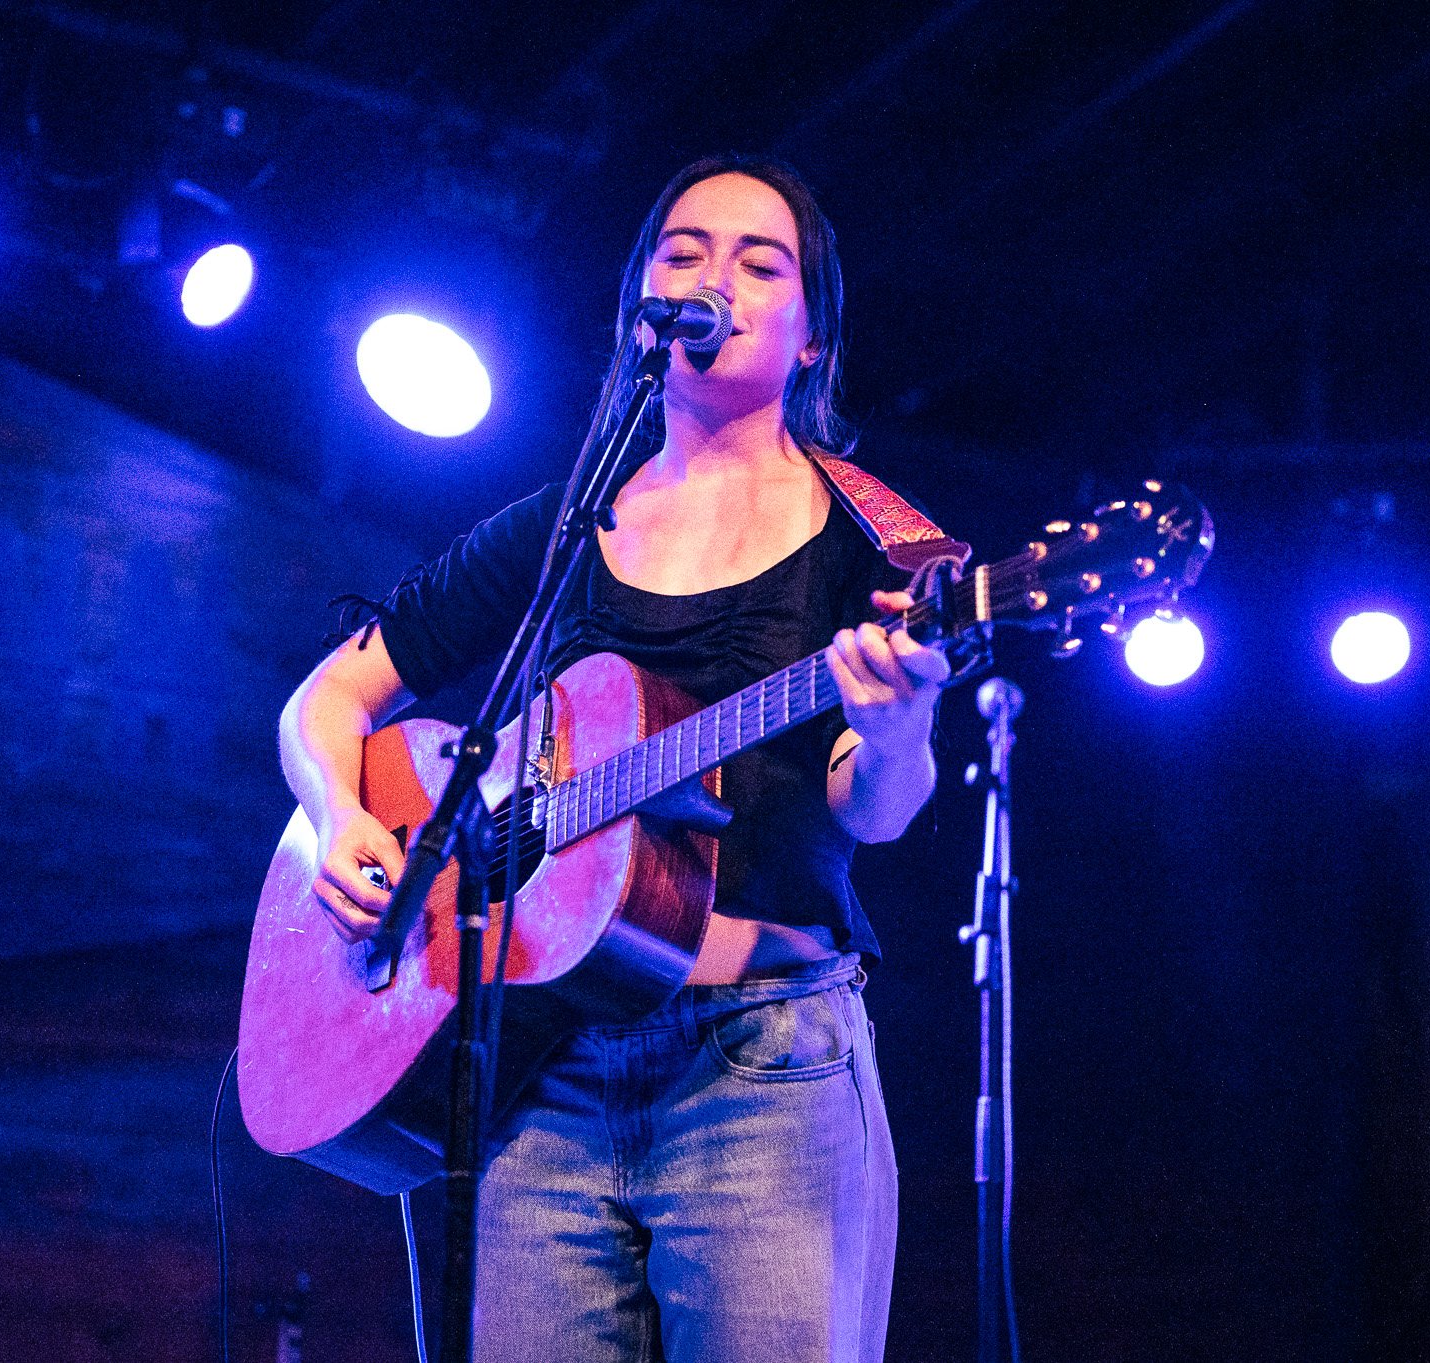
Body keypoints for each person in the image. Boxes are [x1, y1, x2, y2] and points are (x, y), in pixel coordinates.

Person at [277, 154, 949, 1362]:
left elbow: (876, 808)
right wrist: (342, 816)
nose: (712, 279)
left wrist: (896, 727)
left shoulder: (881, 543)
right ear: (641, 306)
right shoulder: (562, 526)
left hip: (761, 1072)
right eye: (682, 254)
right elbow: (327, 700)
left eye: (759, 264)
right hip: (535, 1072)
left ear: (811, 337)